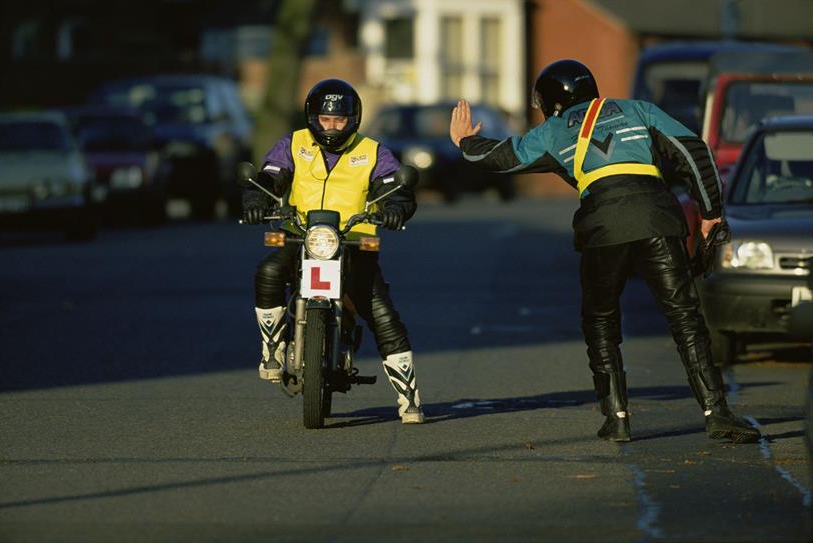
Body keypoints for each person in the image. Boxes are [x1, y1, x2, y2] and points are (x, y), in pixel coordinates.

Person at [449, 59, 760, 443]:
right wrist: (711, 213)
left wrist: (465, 142)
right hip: (657, 219)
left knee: (600, 320)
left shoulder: (552, 131)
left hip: (603, 227)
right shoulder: (638, 110)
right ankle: (718, 413)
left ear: (551, 101)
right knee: (685, 317)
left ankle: (616, 417)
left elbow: (501, 156)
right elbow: (694, 150)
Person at [241, 78, 424, 424]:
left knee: (382, 314)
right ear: (313, 117)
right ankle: (272, 351)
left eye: (340, 120)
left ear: (353, 119)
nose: (332, 126)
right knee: (268, 272)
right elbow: (270, 176)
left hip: (354, 243)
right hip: (300, 237)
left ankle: (409, 398)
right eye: (325, 119)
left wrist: (396, 207)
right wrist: (256, 197)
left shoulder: (372, 151)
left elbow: (394, 185)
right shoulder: (293, 144)